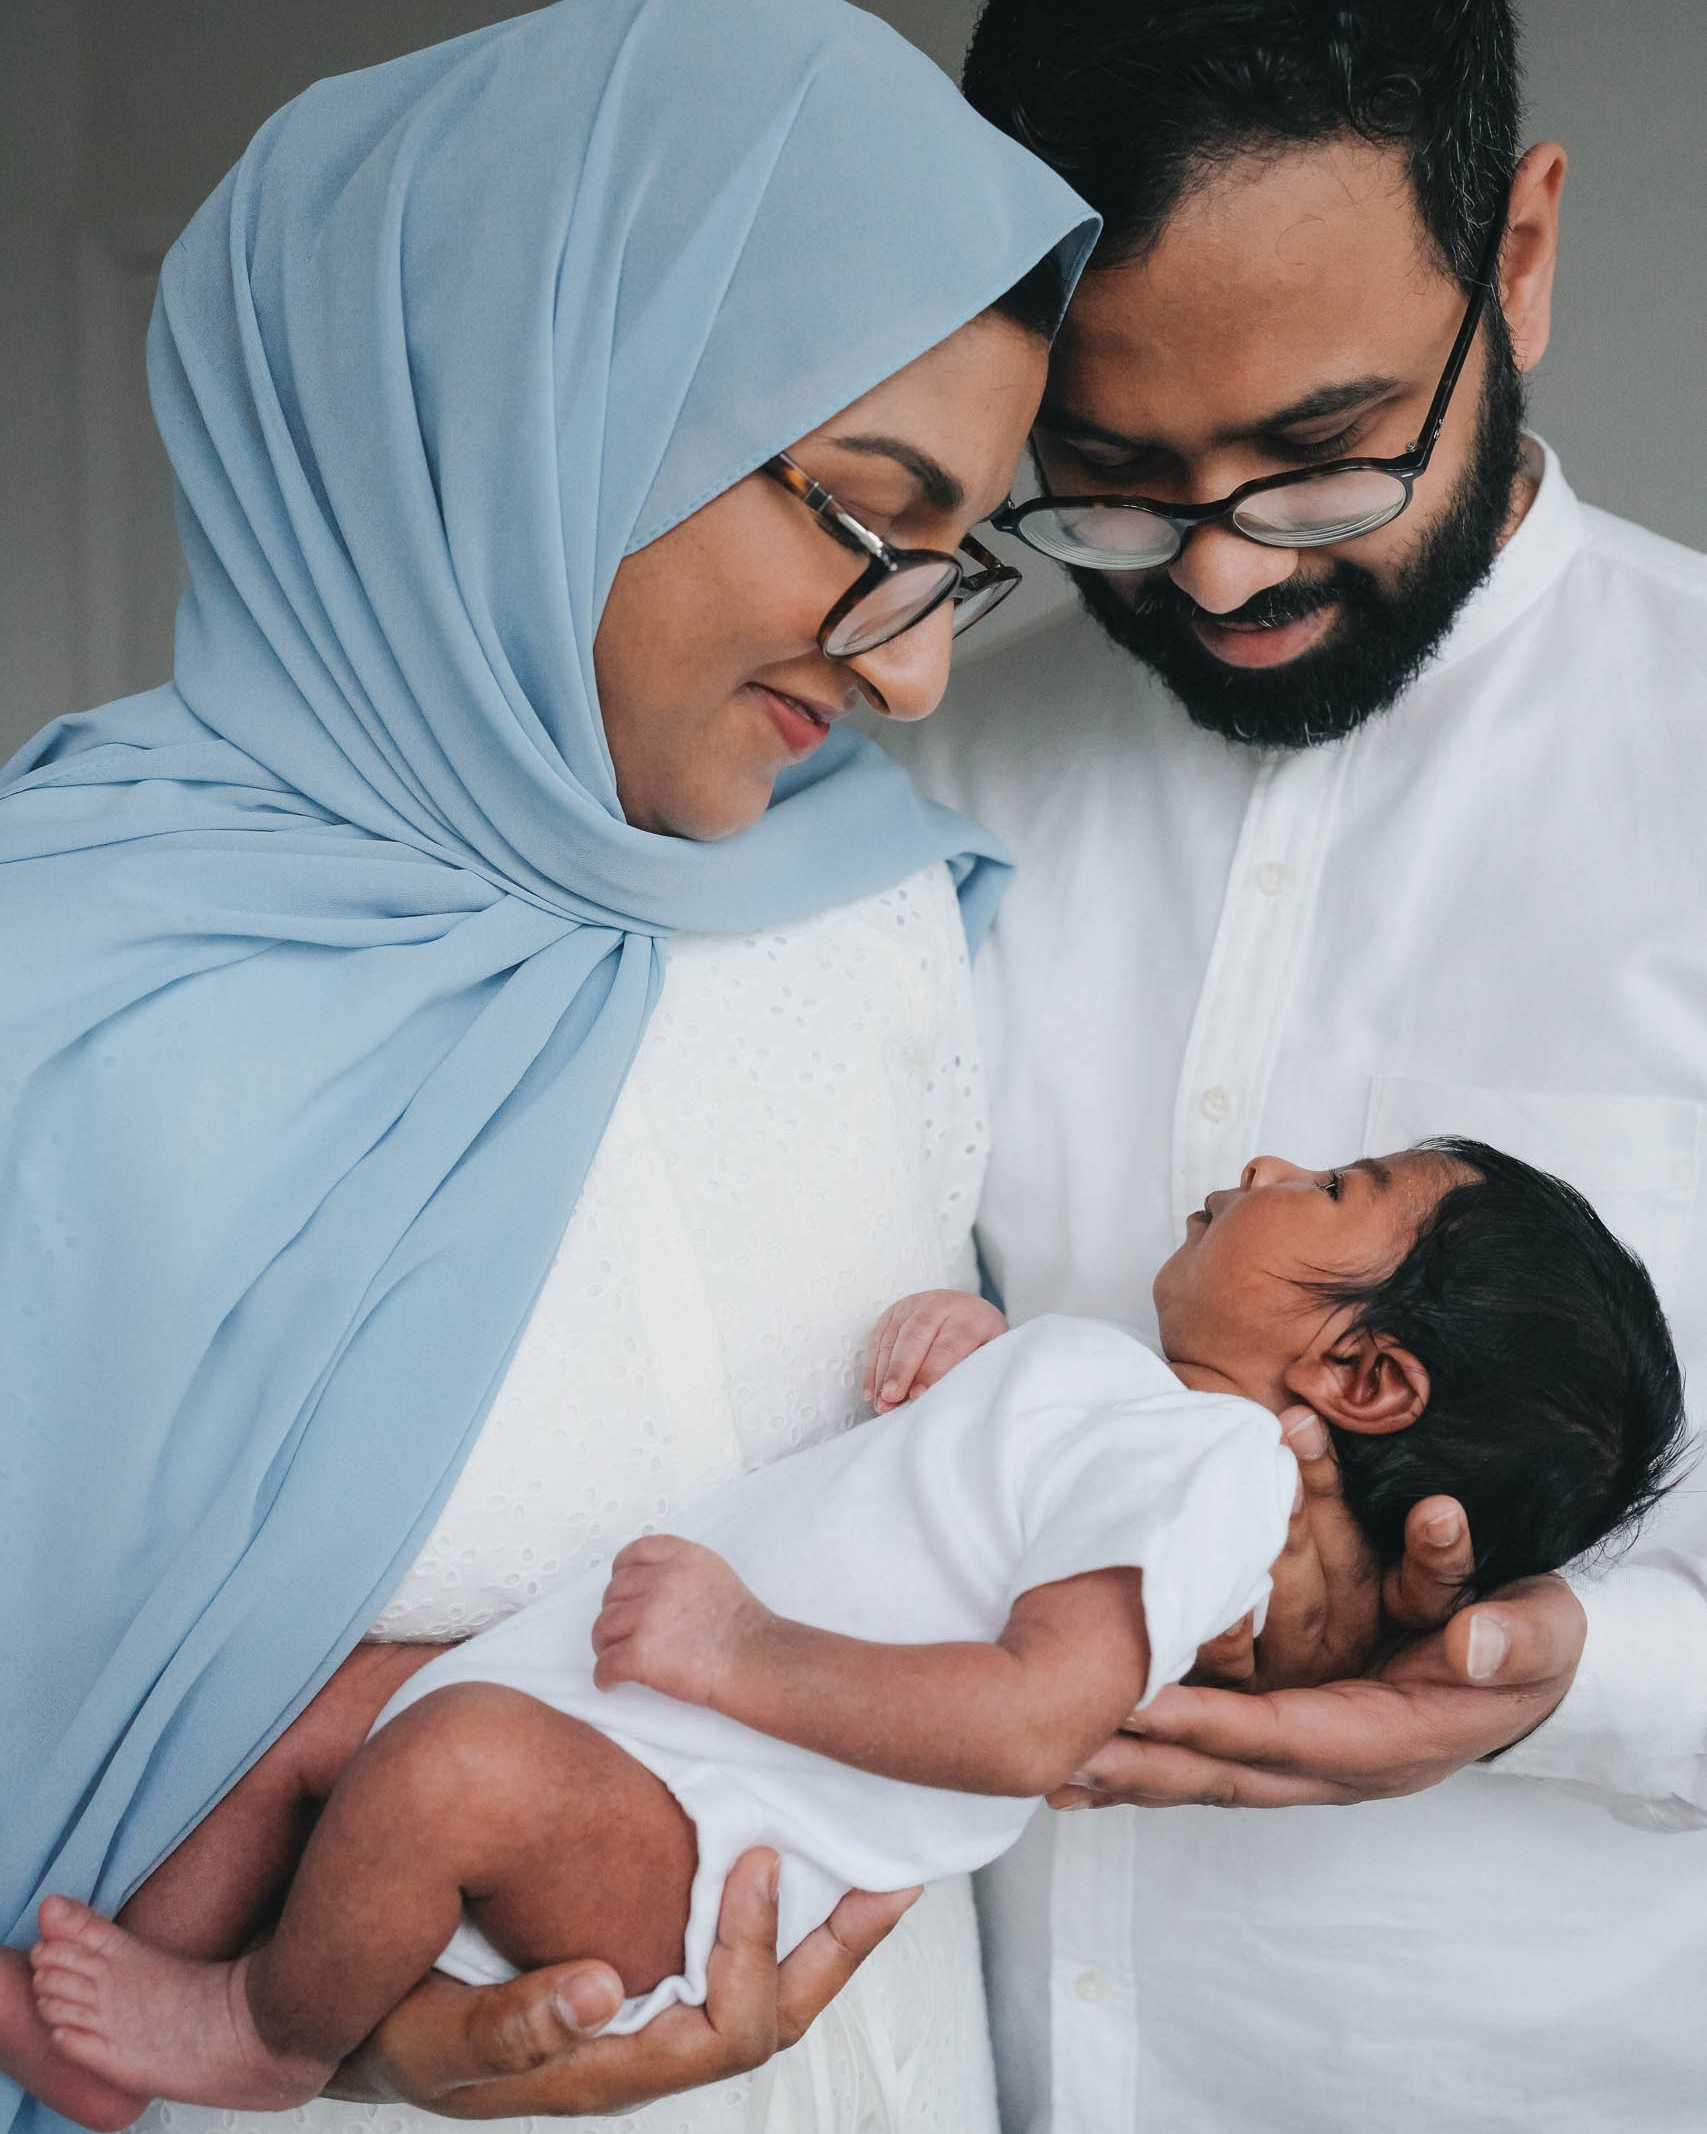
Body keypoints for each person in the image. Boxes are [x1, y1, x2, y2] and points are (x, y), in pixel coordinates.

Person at [0, 4, 1098, 2133]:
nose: (917, 661)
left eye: (958, 550)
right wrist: (350, 2007)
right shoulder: (61, 989)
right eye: (866, 520)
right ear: (530, 419)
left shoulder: (873, 915)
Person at [884, 1, 1707, 2128]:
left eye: (1322, 450)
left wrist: (1557, 1686)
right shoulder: (912, 773)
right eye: (1116, 485)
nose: (1227, 568)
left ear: (1514, 257)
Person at [26, 1139, 1684, 2118]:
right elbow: (1001, 1507)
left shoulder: (1211, 1472)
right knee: (346, 1703)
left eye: (1336, 1183)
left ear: (1367, 1376)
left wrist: (739, 1650)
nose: (1261, 1168)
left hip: (710, 1826)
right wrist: (982, 1358)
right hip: (637, 1734)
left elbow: (1040, 1712)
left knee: (444, 1765)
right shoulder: (1148, 1416)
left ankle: (255, 2032)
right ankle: (143, 1991)